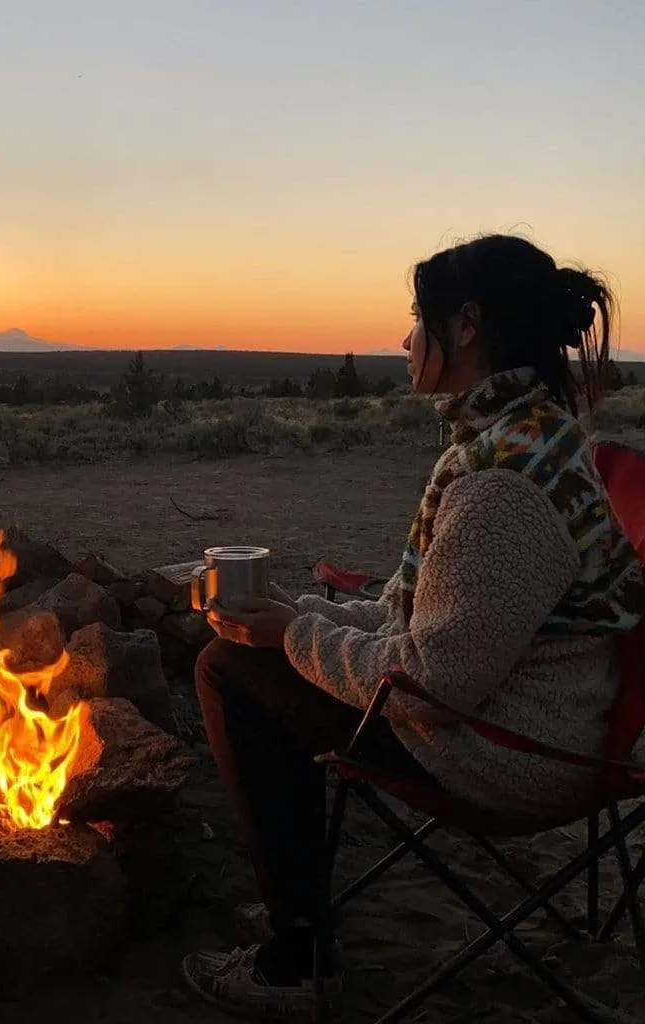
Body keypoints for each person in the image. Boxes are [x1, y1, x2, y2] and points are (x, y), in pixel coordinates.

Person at [181, 233, 645, 1019]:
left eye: (414, 320)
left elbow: (428, 684)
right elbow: (417, 617)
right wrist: (297, 613)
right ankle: (299, 903)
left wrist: (288, 639)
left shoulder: (501, 485)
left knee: (230, 673)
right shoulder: (521, 436)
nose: (403, 341)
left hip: (511, 749)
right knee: (257, 654)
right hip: (525, 714)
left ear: (465, 326)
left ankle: (294, 957)